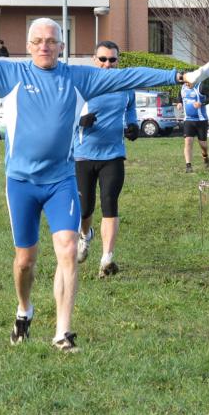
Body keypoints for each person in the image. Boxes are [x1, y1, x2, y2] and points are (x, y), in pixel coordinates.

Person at [0, 19, 209, 352]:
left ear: (62, 46)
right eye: (38, 41)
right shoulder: (9, 74)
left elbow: (127, 76)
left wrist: (181, 75)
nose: (45, 46)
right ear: (28, 46)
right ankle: (24, 310)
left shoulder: (77, 77)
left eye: (51, 40)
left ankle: (63, 333)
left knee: (69, 251)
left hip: (60, 181)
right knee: (25, 261)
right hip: (21, 183)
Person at [74, 40, 139, 278]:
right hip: (83, 154)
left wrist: (133, 125)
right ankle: (85, 235)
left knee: (110, 202)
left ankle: (107, 259)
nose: (107, 64)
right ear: (94, 60)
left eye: (112, 59)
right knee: (85, 209)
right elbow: (64, 113)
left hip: (113, 154)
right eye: (103, 59)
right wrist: (79, 121)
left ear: (118, 61)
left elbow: (130, 108)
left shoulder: (124, 84)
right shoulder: (84, 84)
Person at [178, 80, 209, 173]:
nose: (187, 84)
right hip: (188, 120)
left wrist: (201, 103)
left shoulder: (201, 86)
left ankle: (205, 156)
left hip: (201, 120)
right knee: (188, 141)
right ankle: (188, 166)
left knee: (203, 144)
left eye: (189, 82)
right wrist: (179, 102)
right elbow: (180, 96)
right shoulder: (183, 87)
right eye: (186, 82)